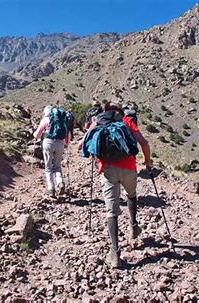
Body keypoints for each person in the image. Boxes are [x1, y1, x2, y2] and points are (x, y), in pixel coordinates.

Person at [78, 100, 152, 268]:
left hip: (107, 170)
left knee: (111, 211)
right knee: (131, 195)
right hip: (129, 167)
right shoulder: (126, 120)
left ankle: (115, 253)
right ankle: (133, 227)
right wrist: (148, 162)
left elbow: (81, 145)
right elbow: (144, 143)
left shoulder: (98, 121)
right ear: (120, 111)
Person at [34, 106, 71, 198]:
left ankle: (51, 189)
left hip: (48, 142)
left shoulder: (46, 119)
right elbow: (68, 134)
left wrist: (35, 135)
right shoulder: (62, 119)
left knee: (48, 166)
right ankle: (60, 182)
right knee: (57, 166)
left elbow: (37, 135)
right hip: (60, 143)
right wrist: (66, 144)